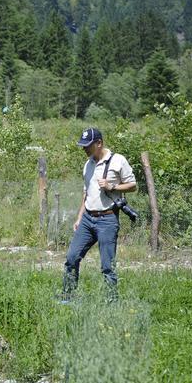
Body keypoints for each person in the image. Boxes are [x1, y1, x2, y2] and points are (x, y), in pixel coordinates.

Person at [62, 127, 137, 301]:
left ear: (99, 143)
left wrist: (113, 187)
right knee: (72, 257)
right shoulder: (88, 164)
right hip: (88, 218)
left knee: (107, 265)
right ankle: (68, 296)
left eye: (87, 145)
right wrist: (79, 217)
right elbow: (86, 193)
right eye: (82, 145)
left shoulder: (118, 161)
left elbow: (133, 185)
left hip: (108, 219)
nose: (84, 149)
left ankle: (111, 300)